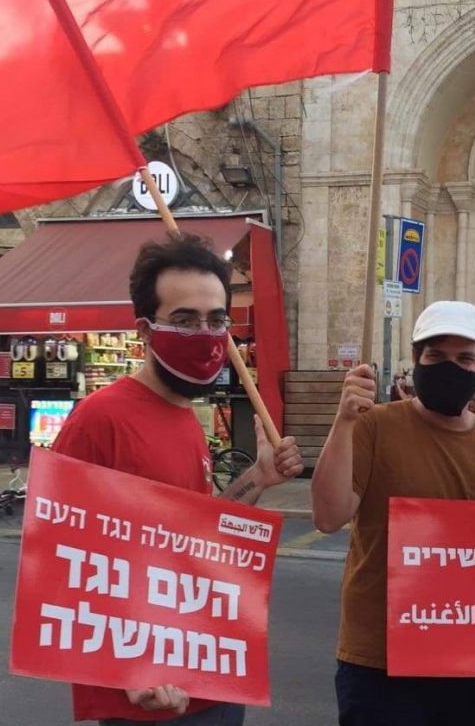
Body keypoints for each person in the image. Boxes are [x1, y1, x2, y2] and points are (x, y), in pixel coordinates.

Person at [51, 234, 304, 725]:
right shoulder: (99, 419)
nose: (205, 334)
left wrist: (259, 477)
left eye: (216, 320)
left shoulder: (185, 414)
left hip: (210, 673)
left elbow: (197, 538)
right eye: (185, 320)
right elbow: (58, 561)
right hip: (150, 697)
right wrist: (127, 669)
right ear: (145, 330)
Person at [312, 301, 475, 726]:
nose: (450, 367)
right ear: (416, 360)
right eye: (436, 355)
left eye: (464, 358)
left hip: (470, 652)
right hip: (379, 659)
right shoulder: (373, 425)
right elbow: (327, 516)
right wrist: (343, 421)